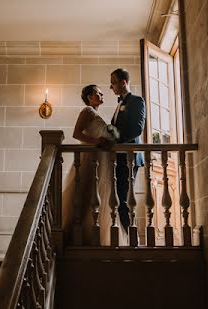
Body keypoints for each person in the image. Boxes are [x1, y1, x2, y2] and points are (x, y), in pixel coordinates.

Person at [61, 84, 117, 246]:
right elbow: (76, 133)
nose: (101, 95)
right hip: (89, 159)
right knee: (84, 195)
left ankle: (93, 235)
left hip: (101, 161)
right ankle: (75, 236)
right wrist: (97, 141)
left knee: (95, 197)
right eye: (98, 93)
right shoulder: (87, 112)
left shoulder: (97, 115)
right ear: (89, 97)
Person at [108, 68, 146, 238]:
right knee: (119, 199)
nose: (111, 87)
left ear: (123, 82)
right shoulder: (119, 104)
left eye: (113, 83)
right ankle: (128, 237)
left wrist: (116, 140)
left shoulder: (137, 101)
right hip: (119, 158)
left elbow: (137, 129)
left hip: (129, 157)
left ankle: (133, 239)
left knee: (124, 200)